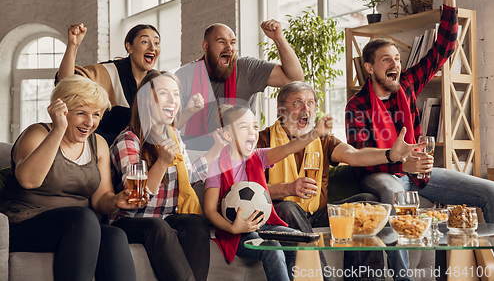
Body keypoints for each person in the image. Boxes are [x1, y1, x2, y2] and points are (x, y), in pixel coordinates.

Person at [345, 0, 494, 277]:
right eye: (386, 59)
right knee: (396, 196)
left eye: (398, 58)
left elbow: (442, 51)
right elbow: (362, 156)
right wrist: (400, 158)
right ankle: (403, 276)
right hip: (381, 175)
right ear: (369, 68)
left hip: (418, 173)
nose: (396, 63)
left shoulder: (407, 84)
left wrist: (450, 1)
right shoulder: (357, 106)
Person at [257, 81, 422, 280]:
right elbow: (253, 189)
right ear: (281, 109)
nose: (306, 108)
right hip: (281, 215)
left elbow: (354, 156)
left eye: (310, 103)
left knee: (367, 202)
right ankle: (324, 277)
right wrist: (287, 188)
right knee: (286, 208)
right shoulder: (262, 140)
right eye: (298, 103)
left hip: (316, 213)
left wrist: (390, 155)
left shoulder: (324, 140)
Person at [0, 75, 137, 281]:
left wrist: (116, 201)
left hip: (79, 228)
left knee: (114, 236)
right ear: (62, 111)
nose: (89, 122)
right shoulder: (37, 133)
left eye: (96, 115)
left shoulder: (97, 144)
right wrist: (58, 129)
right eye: (81, 113)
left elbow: (100, 200)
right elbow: (29, 180)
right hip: (24, 223)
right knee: (83, 218)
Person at [109, 70, 225, 281]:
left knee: (195, 223)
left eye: (176, 94)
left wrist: (218, 148)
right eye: (164, 93)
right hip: (131, 221)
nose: (173, 100)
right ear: (145, 99)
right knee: (158, 226)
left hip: (164, 218)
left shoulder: (172, 135)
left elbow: (187, 176)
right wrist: (161, 162)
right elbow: (137, 198)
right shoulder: (128, 140)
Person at [204, 104, 334, 281]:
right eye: (244, 127)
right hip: (237, 233)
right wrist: (233, 228)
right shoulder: (216, 166)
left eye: (255, 127)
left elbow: (290, 148)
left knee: (300, 239)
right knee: (272, 248)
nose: (252, 132)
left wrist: (316, 132)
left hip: (264, 225)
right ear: (227, 135)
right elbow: (210, 209)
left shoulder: (259, 156)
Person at [175, 20, 304, 150]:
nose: (229, 47)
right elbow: (168, 126)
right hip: (197, 156)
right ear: (205, 46)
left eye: (232, 43)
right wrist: (188, 111)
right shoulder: (185, 76)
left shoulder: (246, 69)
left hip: (239, 156)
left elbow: (294, 79)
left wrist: (279, 39)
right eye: (221, 42)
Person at [57, 23, 162, 145]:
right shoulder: (109, 72)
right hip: (104, 152)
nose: (152, 47)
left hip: (142, 154)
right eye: (145, 41)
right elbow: (66, 83)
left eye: (156, 43)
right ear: (129, 47)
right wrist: (73, 45)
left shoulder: (158, 81)